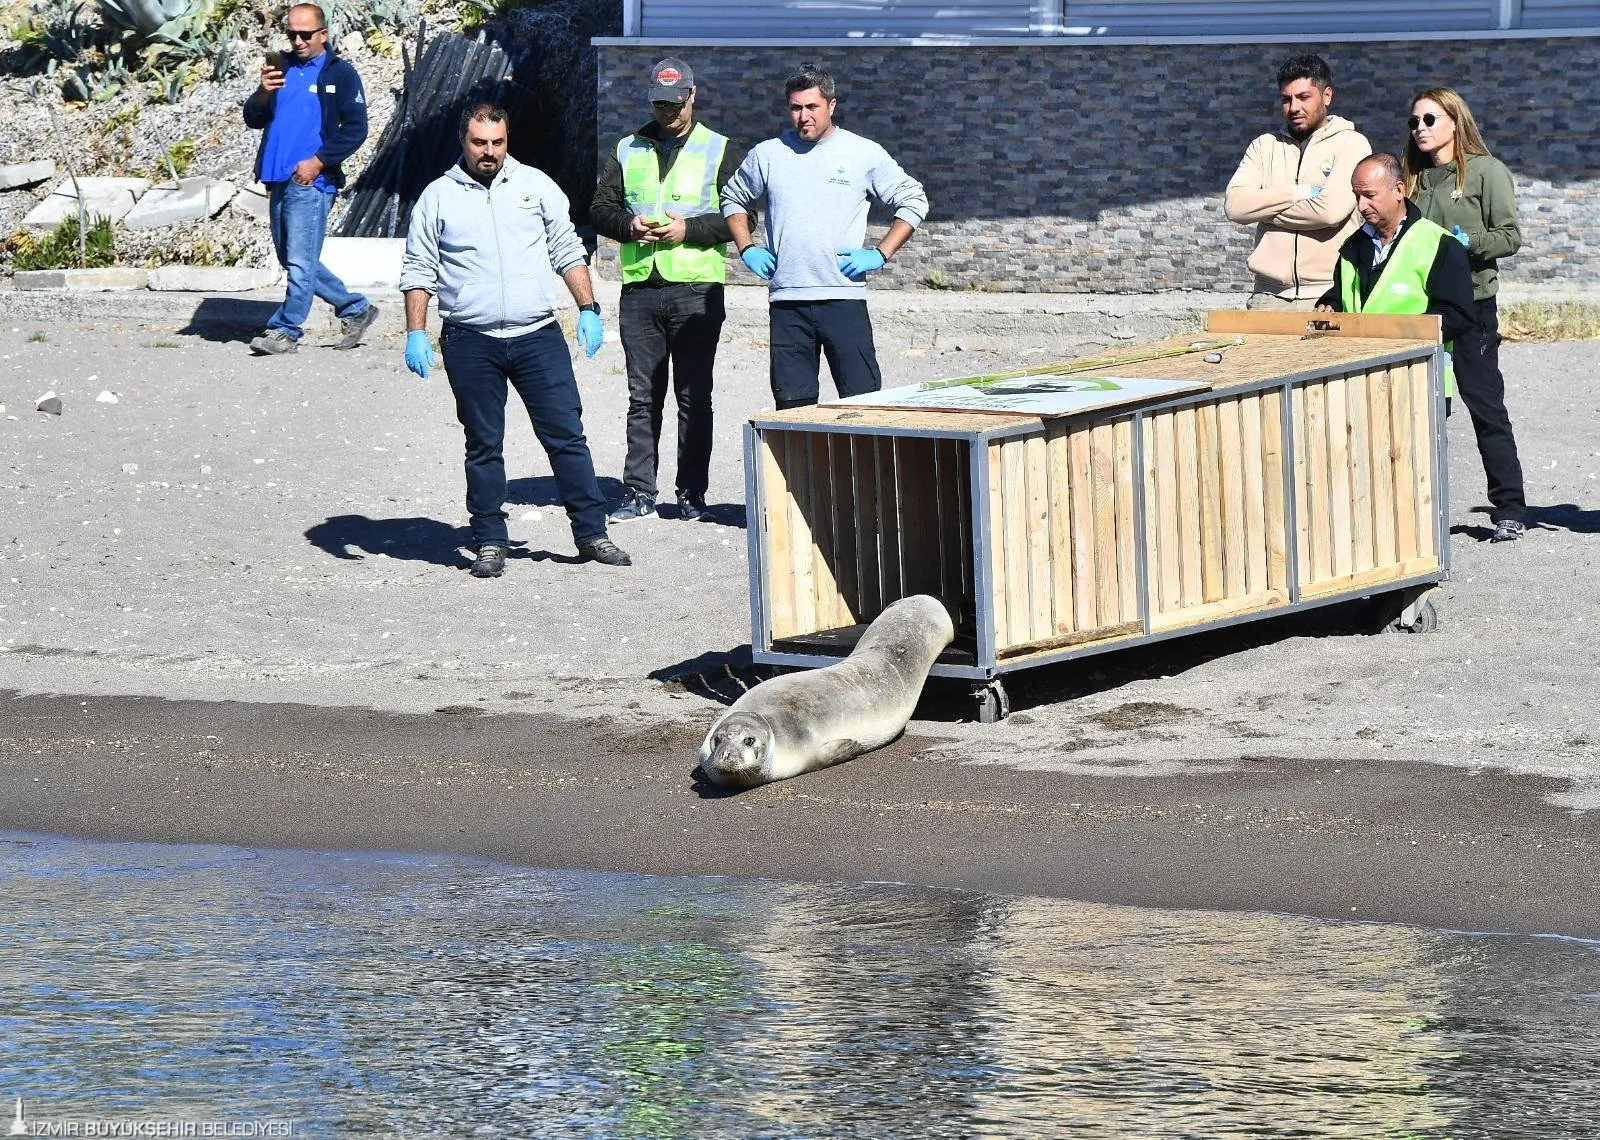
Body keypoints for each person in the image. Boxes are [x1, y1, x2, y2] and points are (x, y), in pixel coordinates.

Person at [398, 103, 630, 577]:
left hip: (536, 336)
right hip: (470, 339)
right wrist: (415, 332)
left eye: (498, 142)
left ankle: (592, 534)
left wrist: (587, 309)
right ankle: (488, 539)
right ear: (463, 141)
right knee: (483, 443)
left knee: (567, 437)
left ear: (507, 140)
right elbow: (419, 267)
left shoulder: (535, 186)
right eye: (480, 143)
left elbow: (567, 247)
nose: (489, 152)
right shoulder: (437, 197)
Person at [589, 58, 745, 524]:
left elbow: (741, 220)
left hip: (697, 289)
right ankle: (639, 492)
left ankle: (692, 494)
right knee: (643, 397)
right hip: (640, 288)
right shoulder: (627, 148)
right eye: (659, 103)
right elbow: (600, 208)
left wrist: (690, 229)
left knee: (694, 398)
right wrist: (628, 225)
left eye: (676, 104)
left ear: (693, 96)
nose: (668, 112)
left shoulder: (719, 149)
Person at [721, 62, 929, 409]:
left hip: (843, 298)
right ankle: (806, 467)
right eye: (796, 108)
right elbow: (733, 197)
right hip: (788, 302)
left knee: (864, 405)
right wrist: (746, 248)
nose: (804, 116)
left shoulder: (862, 153)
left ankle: (862, 467)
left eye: (812, 107)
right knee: (793, 410)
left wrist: (879, 254)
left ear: (831, 105)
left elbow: (914, 199)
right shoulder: (768, 154)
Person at [1404, 87, 1529, 543]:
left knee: (1485, 407)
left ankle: (1510, 509)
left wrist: (1467, 244)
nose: (1420, 128)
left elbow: (1510, 236)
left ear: (1455, 122)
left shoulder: (1486, 172)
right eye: (1414, 121)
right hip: (1423, 309)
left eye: (1430, 120)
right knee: (1424, 411)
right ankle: (1417, 514)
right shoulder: (1412, 179)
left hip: (1473, 307)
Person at [242, 3, 378, 355]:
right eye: (292, 34)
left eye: (306, 34)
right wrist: (263, 92)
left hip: (311, 182)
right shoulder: (280, 68)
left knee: (300, 261)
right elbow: (253, 118)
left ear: (323, 34)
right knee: (294, 259)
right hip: (276, 179)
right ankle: (355, 308)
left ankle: (285, 330)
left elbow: (357, 129)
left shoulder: (340, 74)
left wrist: (318, 162)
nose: (298, 41)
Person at [1316, 152, 1477, 436]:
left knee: (1418, 472)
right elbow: (1344, 294)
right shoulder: (1352, 247)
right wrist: (1328, 304)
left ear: (1399, 190)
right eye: (1356, 196)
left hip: (1418, 378)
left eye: (1369, 195)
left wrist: (1399, 334)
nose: (1361, 205)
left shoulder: (1440, 244)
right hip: (1360, 377)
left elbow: (1458, 315)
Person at [1225, 53, 1372, 310]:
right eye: (1286, 99)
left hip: (1328, 295)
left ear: (1327, 96)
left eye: (1303, 97)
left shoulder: (1351, 143)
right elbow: (1235, 206)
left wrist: (1264, 211)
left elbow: (1329, 212)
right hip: (1268, 297)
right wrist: (1299, 193)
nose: (1294, 108)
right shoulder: (1264, 146)